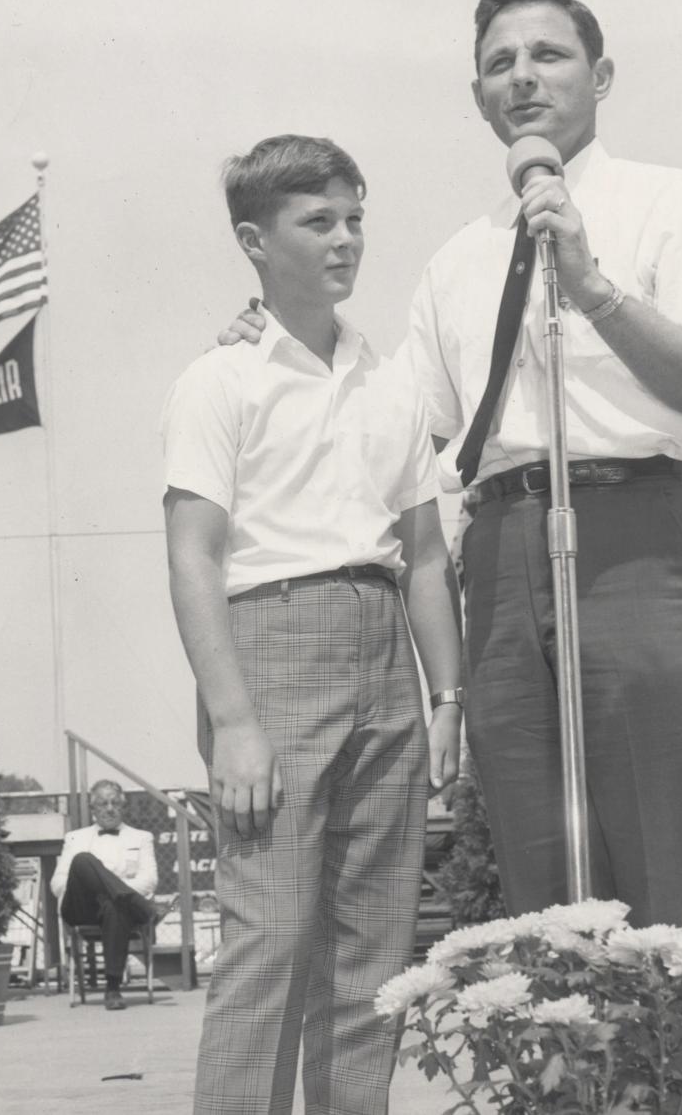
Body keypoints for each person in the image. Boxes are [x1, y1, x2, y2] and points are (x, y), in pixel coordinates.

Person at [219, 0, 682, 930]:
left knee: (662, 847)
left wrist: (591, 285)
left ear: (602, 74)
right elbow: (397, 434)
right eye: (500, 63)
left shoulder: (671, 202)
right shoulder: (458, 259)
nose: (524, 78)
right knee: (536, 853)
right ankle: (564, 1075)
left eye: (548, 55)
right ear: (479, 97)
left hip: (639, 529)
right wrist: (278, 350)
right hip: (501, 550)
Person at [162, 134, 462, 1115]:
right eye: (318, 221)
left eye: (356, 218)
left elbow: (423, 552)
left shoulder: (391, 378)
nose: (346, 240)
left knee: (373, 945)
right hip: (274, 646)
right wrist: (235, 718)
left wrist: (446, 692)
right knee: (274, 937)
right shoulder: (221, 381)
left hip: (385, 653)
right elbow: (195, 555)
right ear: (255, 239)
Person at [51, 778, 157, 1011]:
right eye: (102, 804)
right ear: (93, 809)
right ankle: (141, 906)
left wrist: (111, 890)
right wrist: (90, 882)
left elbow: (149, 880)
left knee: (115, 903)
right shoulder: (75, 838)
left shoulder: (141, 837)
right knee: (82, 860)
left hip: (118, 911)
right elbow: (57, 883)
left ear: (123, 806)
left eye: (115, 803)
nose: (109, 808)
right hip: (82, 908)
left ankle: (112, 988)